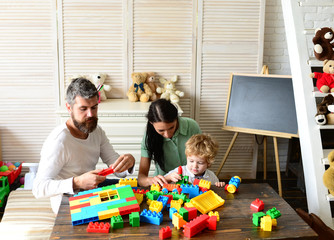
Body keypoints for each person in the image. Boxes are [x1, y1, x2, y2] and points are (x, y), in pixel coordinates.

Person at [32, 78, 135, 214]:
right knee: (125, 210)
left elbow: (118, 171)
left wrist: (129, 162)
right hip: (67, 201)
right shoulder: (59, 141)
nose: (90, 114)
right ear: (69, 108)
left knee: (136, 193)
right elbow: (39, 188)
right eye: (83, 109)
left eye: (94, 107)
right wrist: (77, 182)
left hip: (91, 190)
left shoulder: (96, 131)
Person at [138, 99, 201, 187]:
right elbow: (141, 179)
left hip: (191, 183)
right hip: (164, 185)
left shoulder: (192, 126)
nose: (167, 134)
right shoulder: (150, 136)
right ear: (151, 123)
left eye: (171, 128)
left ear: (176, 118)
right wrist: (151, 180)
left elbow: (203, 158)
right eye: (161, 130)